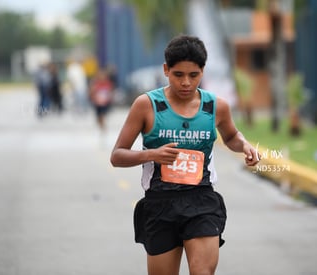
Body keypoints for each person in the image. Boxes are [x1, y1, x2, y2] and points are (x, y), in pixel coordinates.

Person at [110, 35, 261, 275]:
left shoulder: (215, 107)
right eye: (178, 75)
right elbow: (117, 156)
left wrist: (244, 145)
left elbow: (231, 136)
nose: (186, 83)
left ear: (202, 71)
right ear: (166, 70)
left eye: (194, 75)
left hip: (201, 200)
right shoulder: (146, 105)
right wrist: (152, 155)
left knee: (202, 271)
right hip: (160, 202)